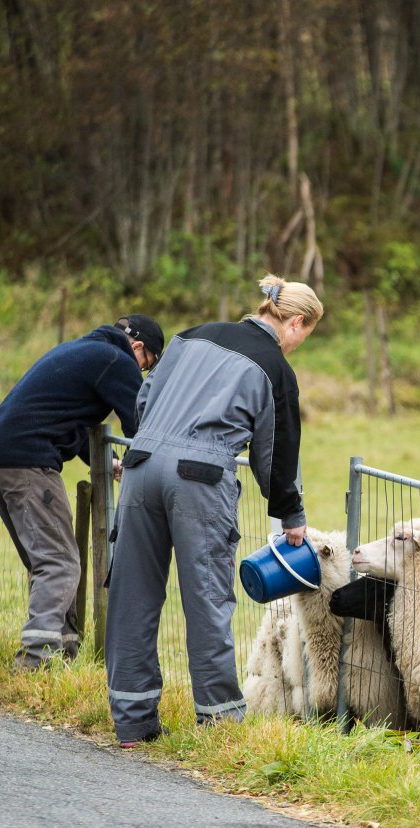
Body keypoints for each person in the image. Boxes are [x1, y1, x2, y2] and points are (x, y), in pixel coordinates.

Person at [105, 274, 322, 747]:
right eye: (305, 336)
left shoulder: (191, 334)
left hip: (140, 467)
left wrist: (156, 442)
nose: (299, 345)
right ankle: (220, 727)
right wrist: (291, 516)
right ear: (296, 323)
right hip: (198, 480)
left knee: (133, 594)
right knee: (206, 598)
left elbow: (144, 400)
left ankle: (133, 723)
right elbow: (276, 454)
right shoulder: (274, 368)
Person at [0, 314, 164, 670]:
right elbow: (140, 423)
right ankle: (36, 662)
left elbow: (72, 422)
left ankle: (63, 653)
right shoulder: (117, 361)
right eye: (147, 365)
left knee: (45, 560)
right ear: (137, 347)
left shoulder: (84, 350)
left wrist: (109, 463)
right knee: (58, 562)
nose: (141, 372)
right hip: (27, 461)